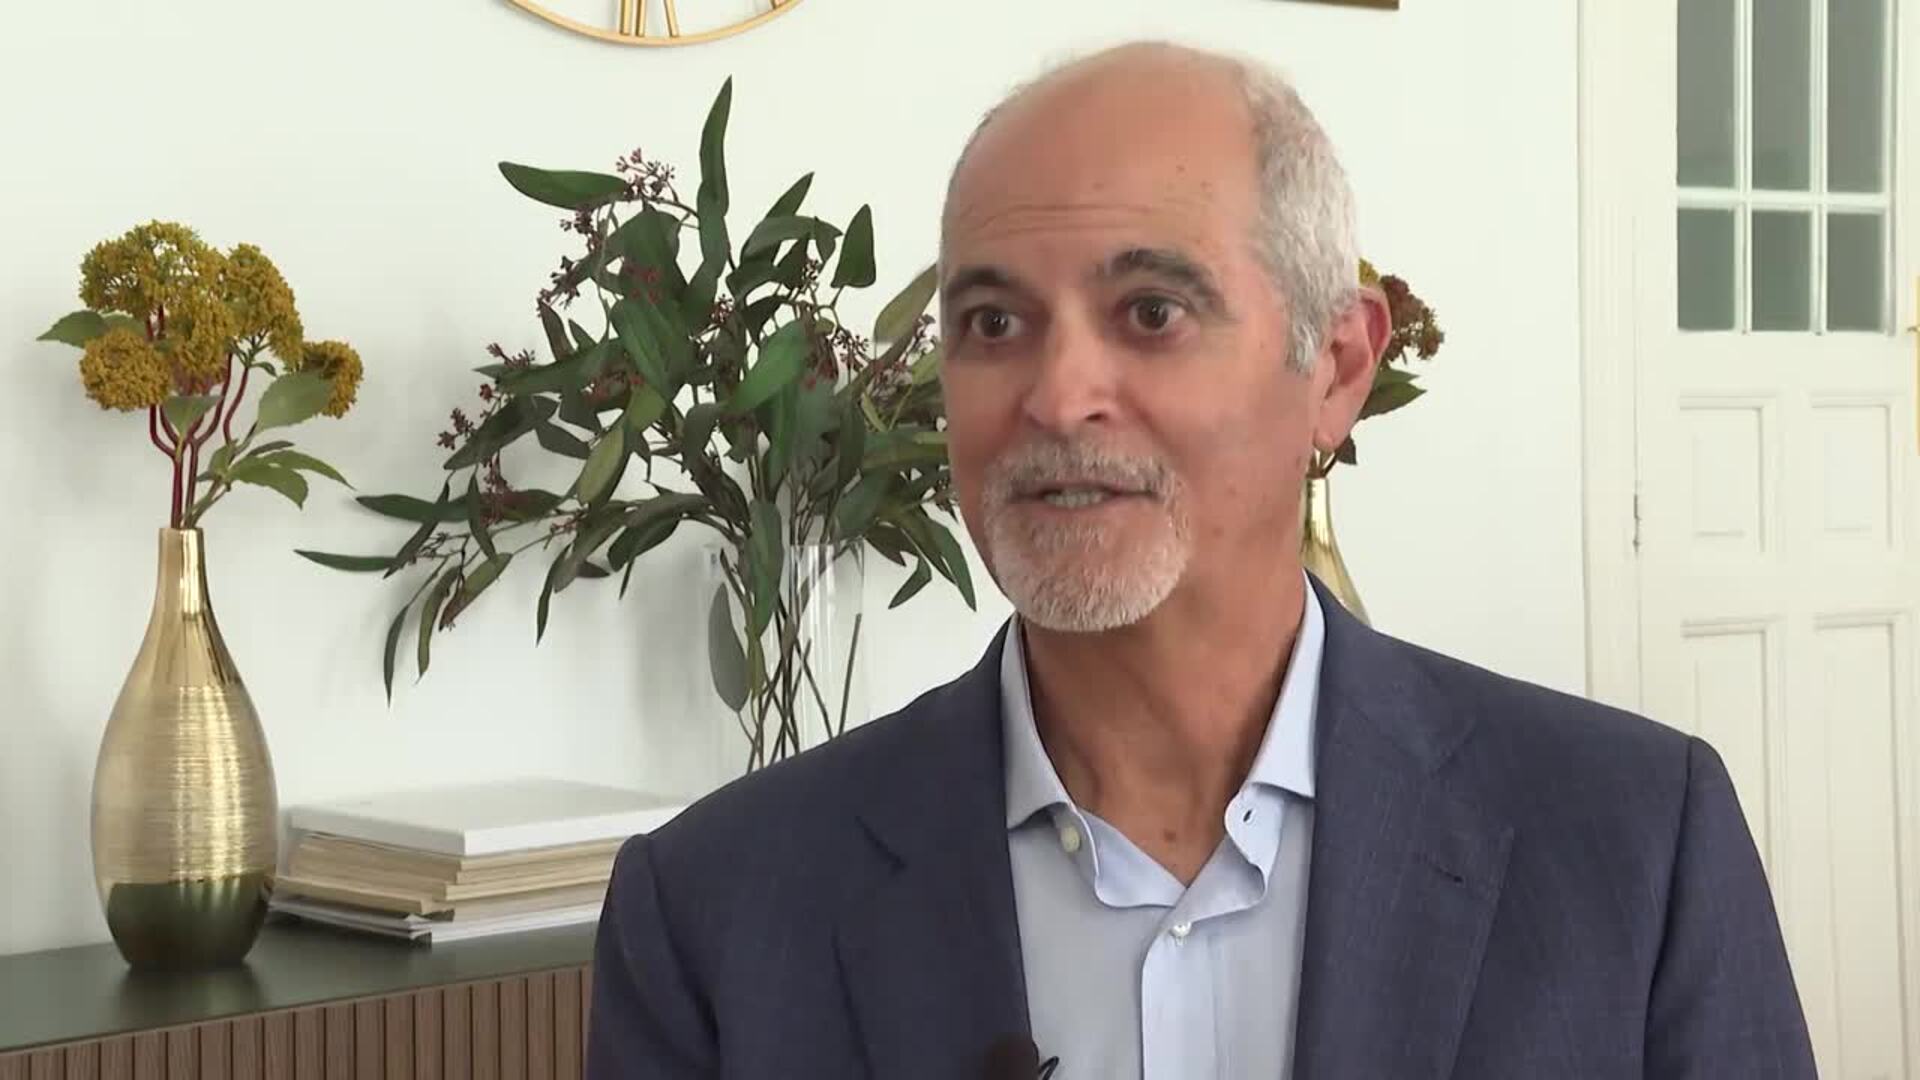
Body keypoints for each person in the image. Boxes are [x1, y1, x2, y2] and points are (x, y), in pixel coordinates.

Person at [586, 42, 1815, 1079]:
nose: (1058, 395)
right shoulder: (716, 910)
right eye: (993, 323)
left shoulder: (1632, 848)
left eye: (1152, 313)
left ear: (1337, 367)